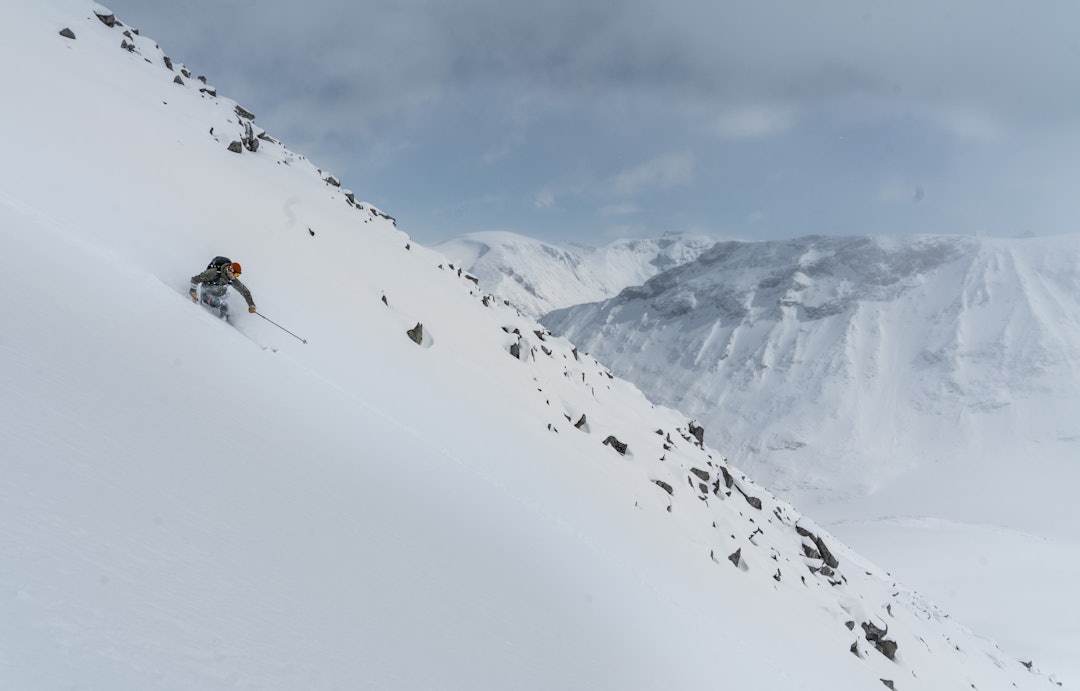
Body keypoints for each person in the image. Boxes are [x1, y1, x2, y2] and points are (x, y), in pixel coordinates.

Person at [190, 257, 256, 320]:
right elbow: (194, 280)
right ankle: (222, 325)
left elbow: (245, 291)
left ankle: (227, 320)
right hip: (207, 294)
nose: (235, 277)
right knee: (224, 306)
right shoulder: (214, 272)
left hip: (219, 294)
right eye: (235, 275)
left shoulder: (232, 279)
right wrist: (193, 292)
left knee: (225, 304)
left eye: (237, 275)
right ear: (230, 270)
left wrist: (251, 305)